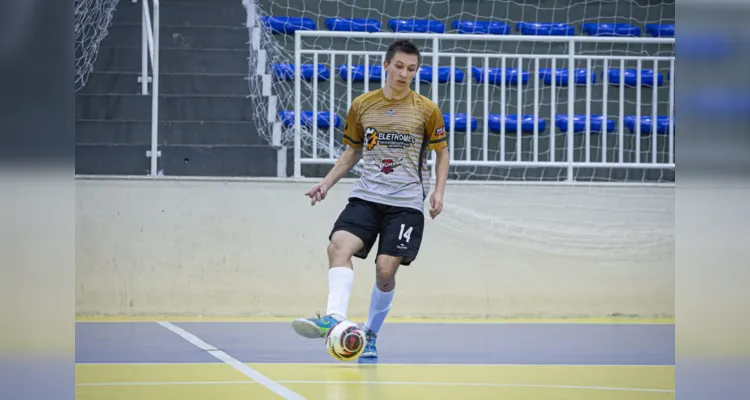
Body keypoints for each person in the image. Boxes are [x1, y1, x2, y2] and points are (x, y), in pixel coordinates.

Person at [291, 39, 450, 359]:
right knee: (338, 246)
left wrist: (438, 191)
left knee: (385, 271)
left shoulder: (427, 110)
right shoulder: (363, 105)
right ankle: (334, 317)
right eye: (399, 67)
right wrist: (326, 184)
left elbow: (442, 153)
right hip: (366, 196)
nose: (404, 74)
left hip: (405, 204)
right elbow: (352, 152)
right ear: (386, 66)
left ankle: (371, 333)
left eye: (411, 69)